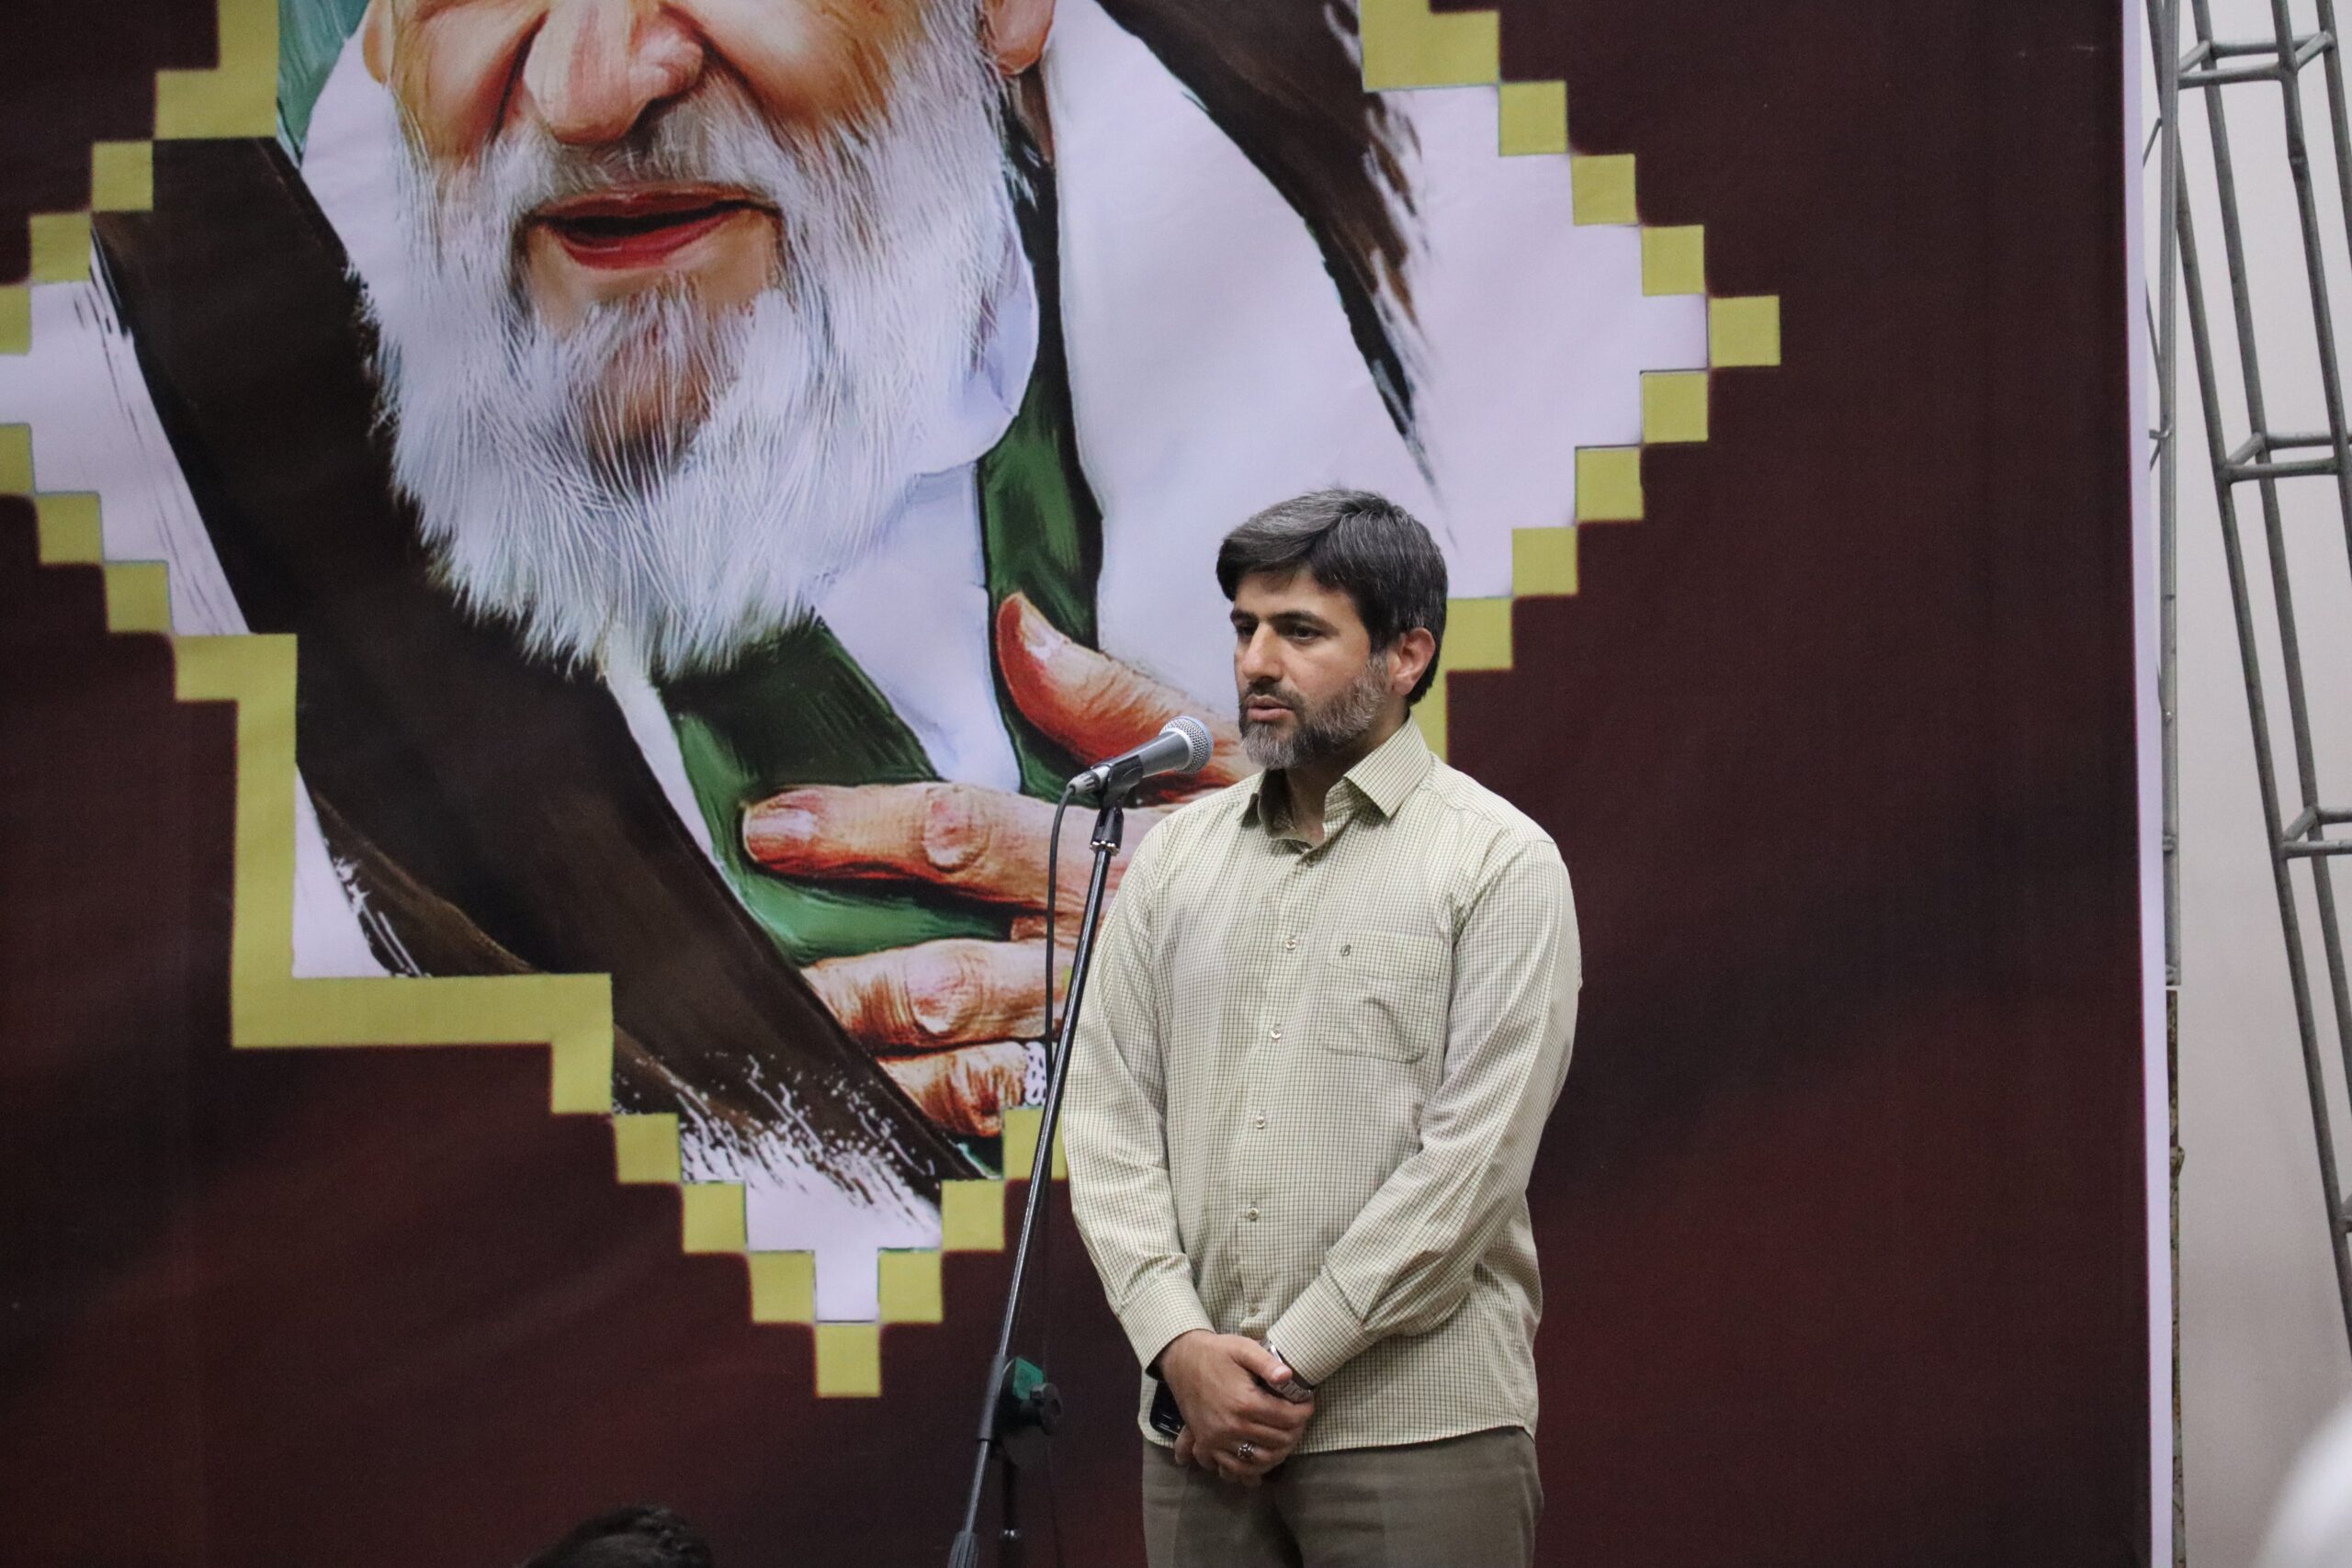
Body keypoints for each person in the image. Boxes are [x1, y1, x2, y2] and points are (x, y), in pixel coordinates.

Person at [1065, 489, 1581, 1567]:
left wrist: (1284, 1363)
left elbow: (1473, 1166)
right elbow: (1107, 1120)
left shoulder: (1496, 863)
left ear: (1406, 656)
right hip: (1196, 1434)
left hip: (1416, 1429)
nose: (1256, 663)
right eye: (1245, 628)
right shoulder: (1170, 860)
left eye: (1300, 632)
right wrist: (1178, 1346)